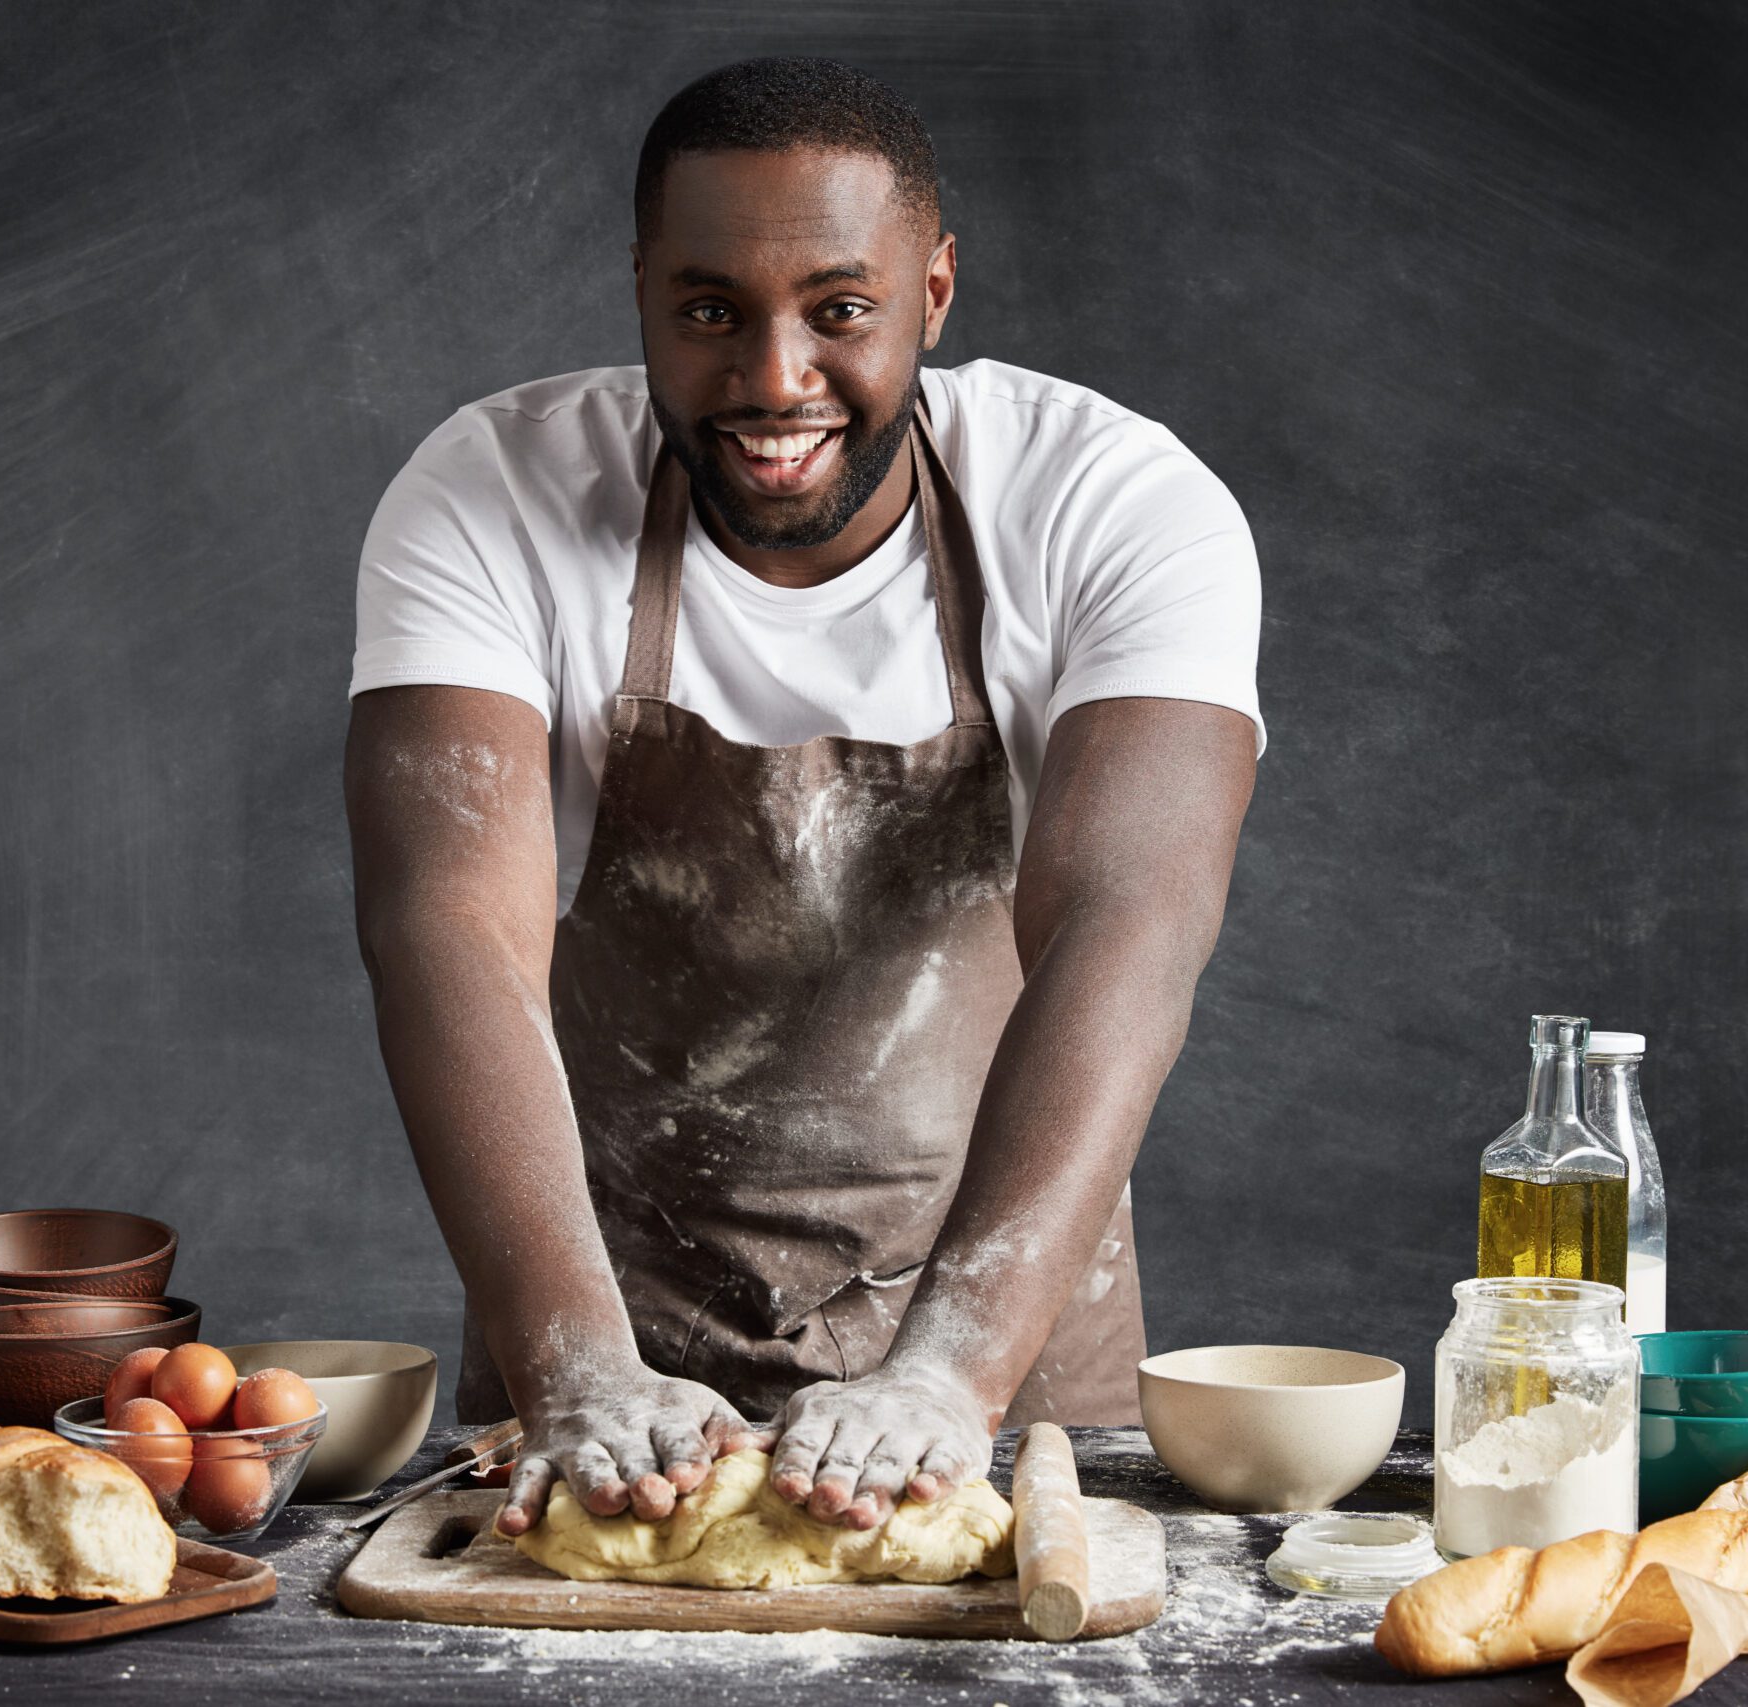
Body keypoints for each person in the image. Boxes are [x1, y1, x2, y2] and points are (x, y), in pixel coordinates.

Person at [344, 57, 1260, 1539]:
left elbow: (1130, 926)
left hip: (997, 1355)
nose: (774, 379)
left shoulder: (1112, 503)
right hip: (613, 1355)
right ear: (642, 289)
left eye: (841, 309)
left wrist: (948, 1377)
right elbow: (447, 930)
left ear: (934, 293)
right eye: (710, 310)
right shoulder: (488, 495)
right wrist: (578, 1367)